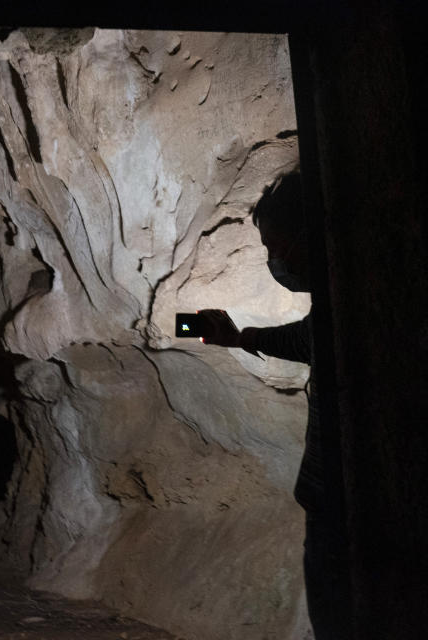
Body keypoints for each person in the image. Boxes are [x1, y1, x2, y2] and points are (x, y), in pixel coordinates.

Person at [198, 171, 350, 640]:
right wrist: (242, 338)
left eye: (277, 245)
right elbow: (312, 339)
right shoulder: (337, 298)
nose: (275, 261)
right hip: (327, 501)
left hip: (343, 509)